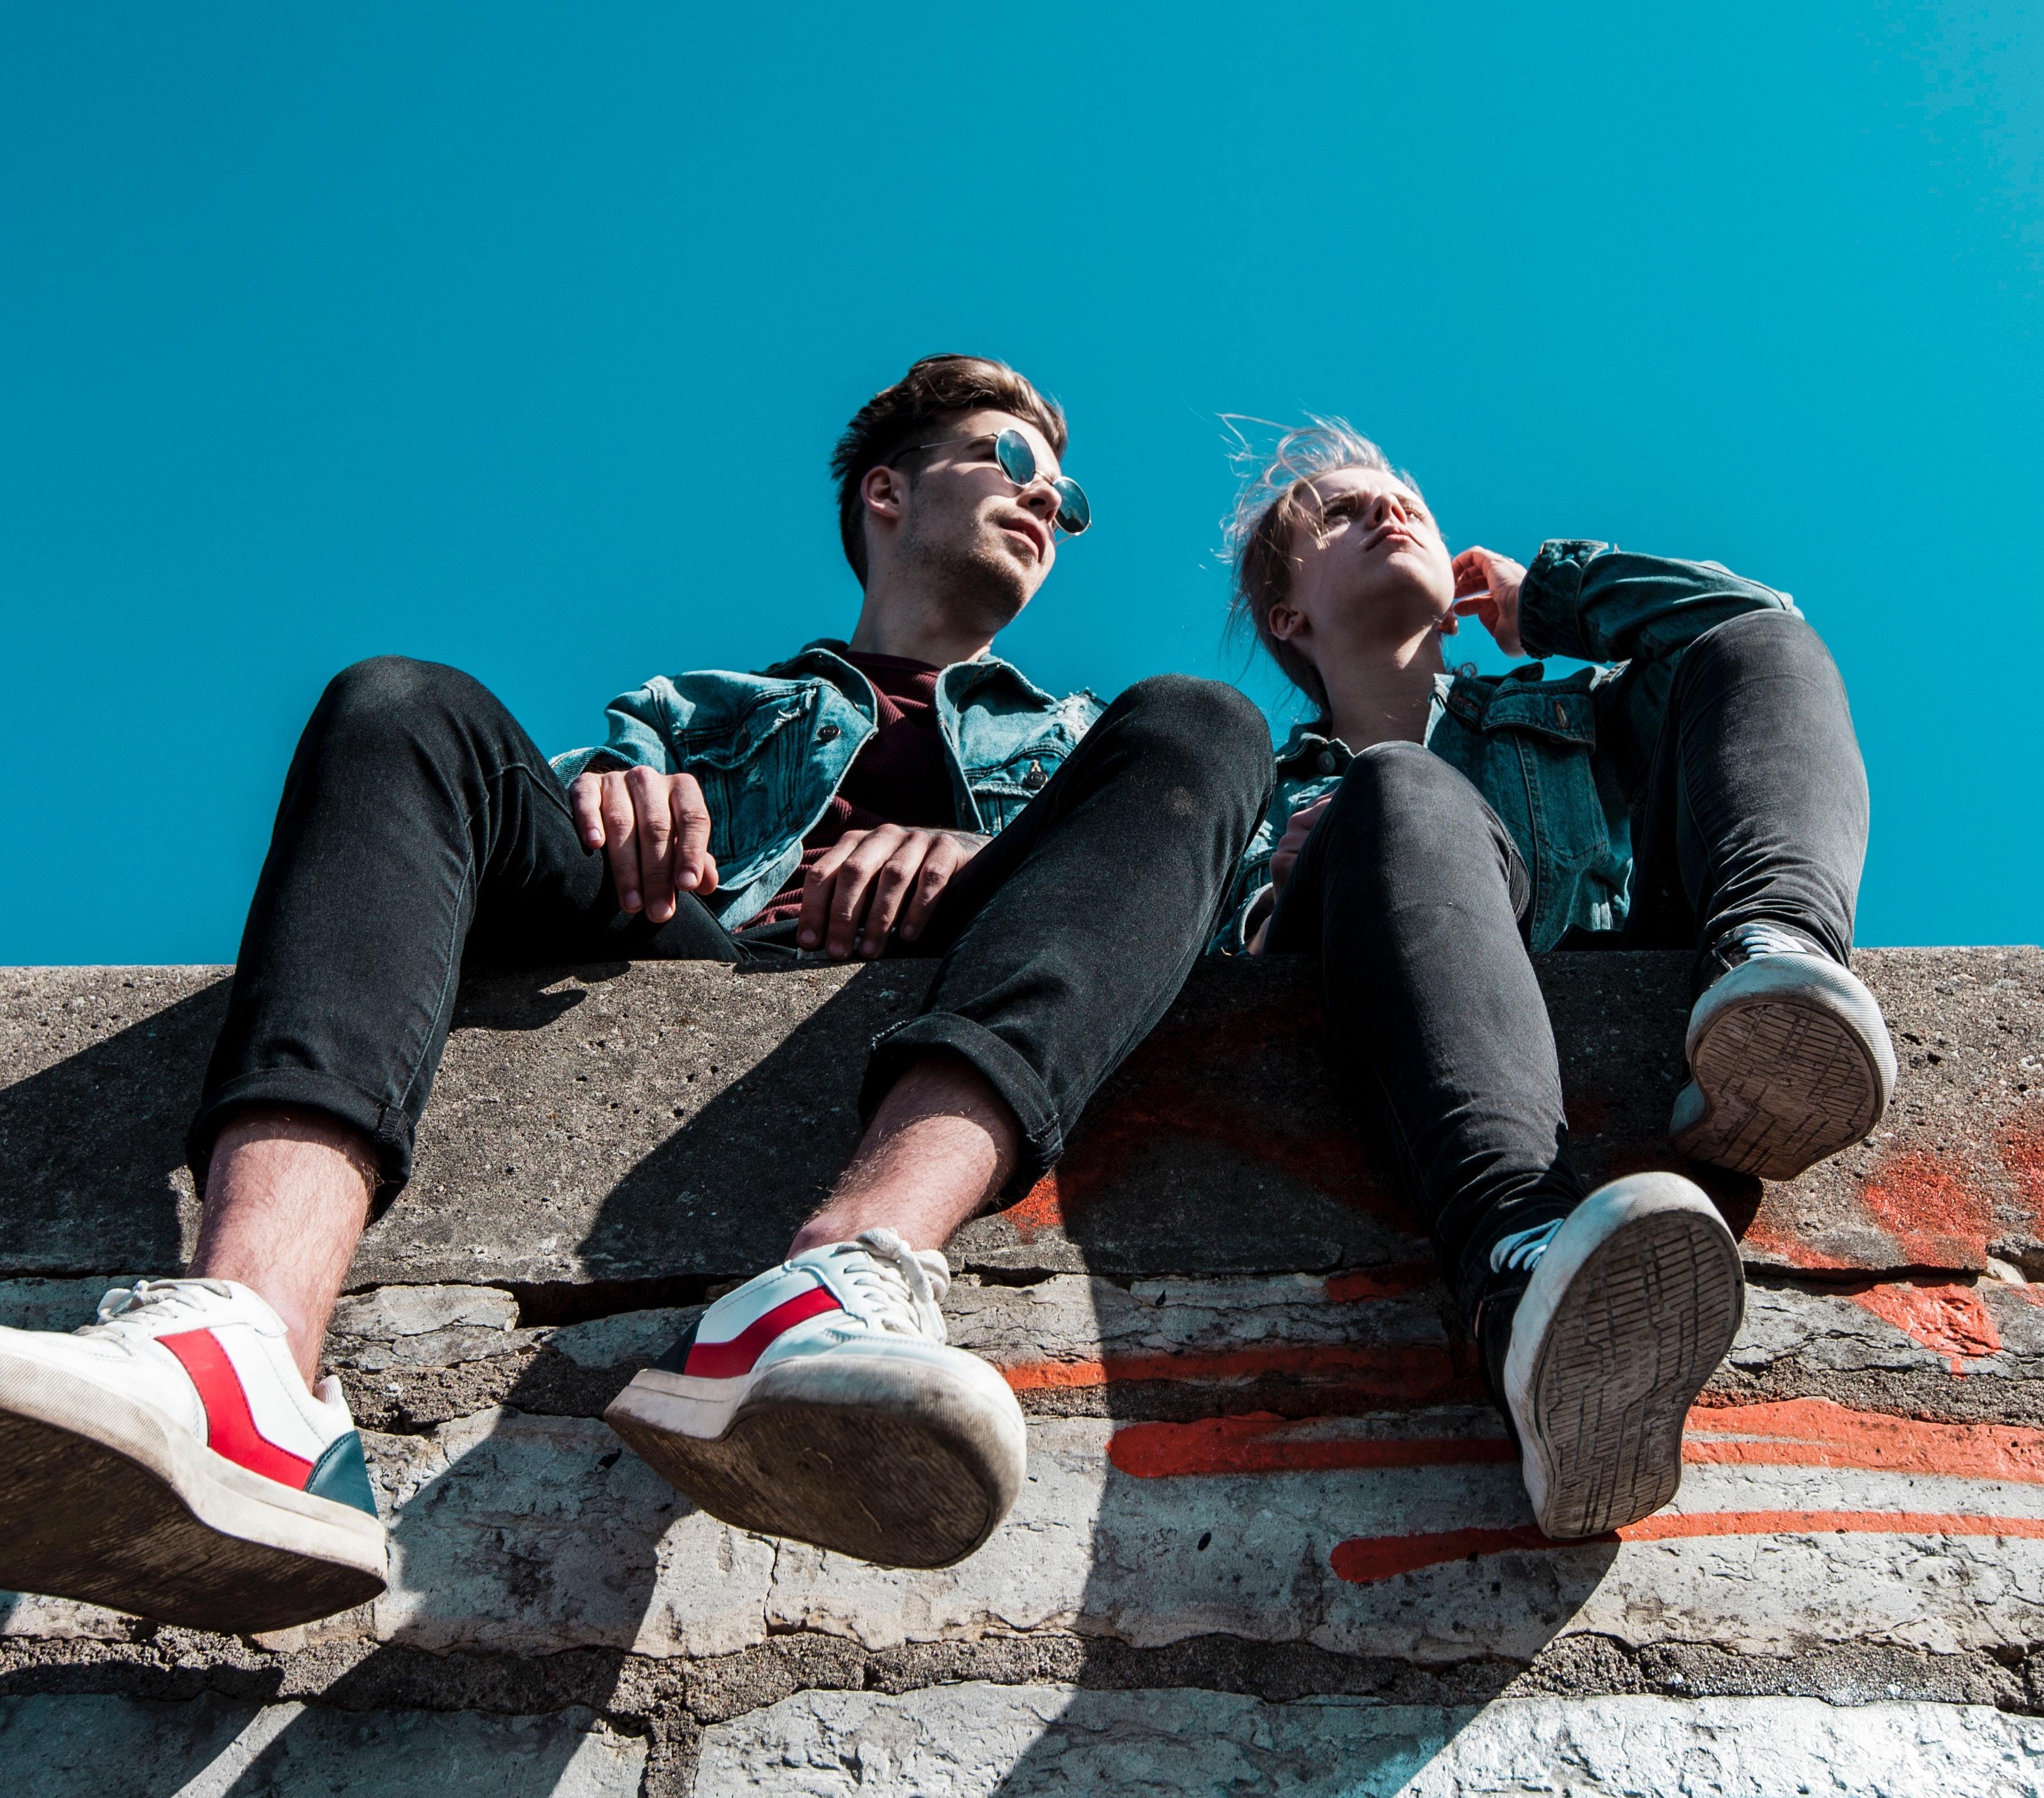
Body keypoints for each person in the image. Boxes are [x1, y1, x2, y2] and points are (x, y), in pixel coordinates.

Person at [0, 356, 1273, 1633]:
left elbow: (1206, 913)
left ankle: (846, 1276)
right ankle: (245, 1364)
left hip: (946, 990)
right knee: (399, 705)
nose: (1048, 500)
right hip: (697, 937)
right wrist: (612, 793)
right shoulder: (698, 708)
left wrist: (984, 858)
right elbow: (505, 830)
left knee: (1208, 722)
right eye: (1015, 460)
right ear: (887, 493)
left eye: (1069, 498)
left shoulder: (1084, 739)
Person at [1217, 420, 1893, 1539]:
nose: (1390, 512)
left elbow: (1750, 623)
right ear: (1289, 616)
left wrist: (1558, 599)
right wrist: (1278, 897)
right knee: (1399, 788)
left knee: (1762, 647)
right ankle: (1529, 1277)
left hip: (1604, 968)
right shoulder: (1257, 788)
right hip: (1390, 1041)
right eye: (1342, 512)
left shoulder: (1570, 720)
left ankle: (1773, 965)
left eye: (1406, 502)